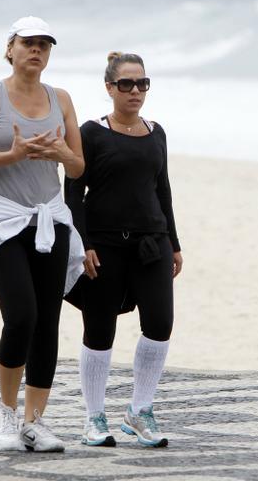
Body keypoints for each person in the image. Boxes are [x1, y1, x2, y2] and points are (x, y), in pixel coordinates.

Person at [0, 16, 85, 453]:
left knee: (48, 321)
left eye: (45, 44)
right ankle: (6, 416)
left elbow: (79, 167)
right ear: (10, 48)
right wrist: (10, 154)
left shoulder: (61, 98)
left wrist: (64, 152)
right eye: (28, 43)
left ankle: (36, 421)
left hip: (49, 220)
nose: (36, 51)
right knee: (22, 316)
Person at [65, 52, 183, 448]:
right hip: (104, 245)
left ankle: (139, 410)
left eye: (142, 84)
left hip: (152, 243)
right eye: (127, 84)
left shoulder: (157, 132)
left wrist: (175, 244)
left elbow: (162, 190)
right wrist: (82, 245)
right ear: (109, 88)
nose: (136, 91)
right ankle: (94, 417)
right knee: (100, 329)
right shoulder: (91, 132)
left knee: (160, 324)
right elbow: (73, 192)